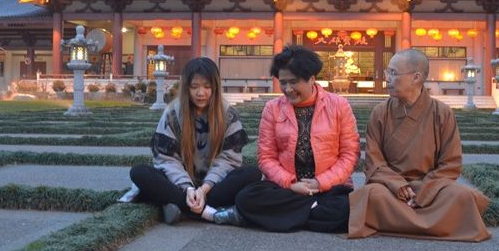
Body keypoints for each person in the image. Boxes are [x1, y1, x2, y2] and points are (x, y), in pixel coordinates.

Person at [348, 49, 491, 241]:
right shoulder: (380, 113)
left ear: (416, 77)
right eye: (387, 73)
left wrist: (424, 191)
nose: (387, 79)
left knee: (462, 196)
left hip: (432, 187)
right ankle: (436, 225)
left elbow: (450, 163)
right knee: (371, 194)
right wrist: (397, 184)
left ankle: (398, 223)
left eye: (393, 73)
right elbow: (374, 162)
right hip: (391, 189)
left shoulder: (442, 113)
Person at [230, 46, 360, 232]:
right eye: (283, 83)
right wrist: (291, 184)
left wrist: (320, 183)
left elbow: (350, 155)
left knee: (346, 208)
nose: (288, 89)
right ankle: (312, 212)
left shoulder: (339, 105)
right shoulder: (272, 108)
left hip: (329, 189)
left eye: (293, 82)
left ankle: (287, 215)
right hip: (287, 189)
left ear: (312, 79)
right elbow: (266, 157)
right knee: (246, 198)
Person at [121, 57, 261, 225]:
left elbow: (229, 159)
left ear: (215, 87)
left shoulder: (228, 114)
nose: (201, 93)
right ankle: (206, 211)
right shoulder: (173, 112)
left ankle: (180, 207)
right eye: (194, 87)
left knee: (252, 173)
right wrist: (187, 188)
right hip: (178, 184)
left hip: (214, 186)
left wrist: (204, 189)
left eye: (207, 86)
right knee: (139, 172)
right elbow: (166, 158)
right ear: (186, 87)